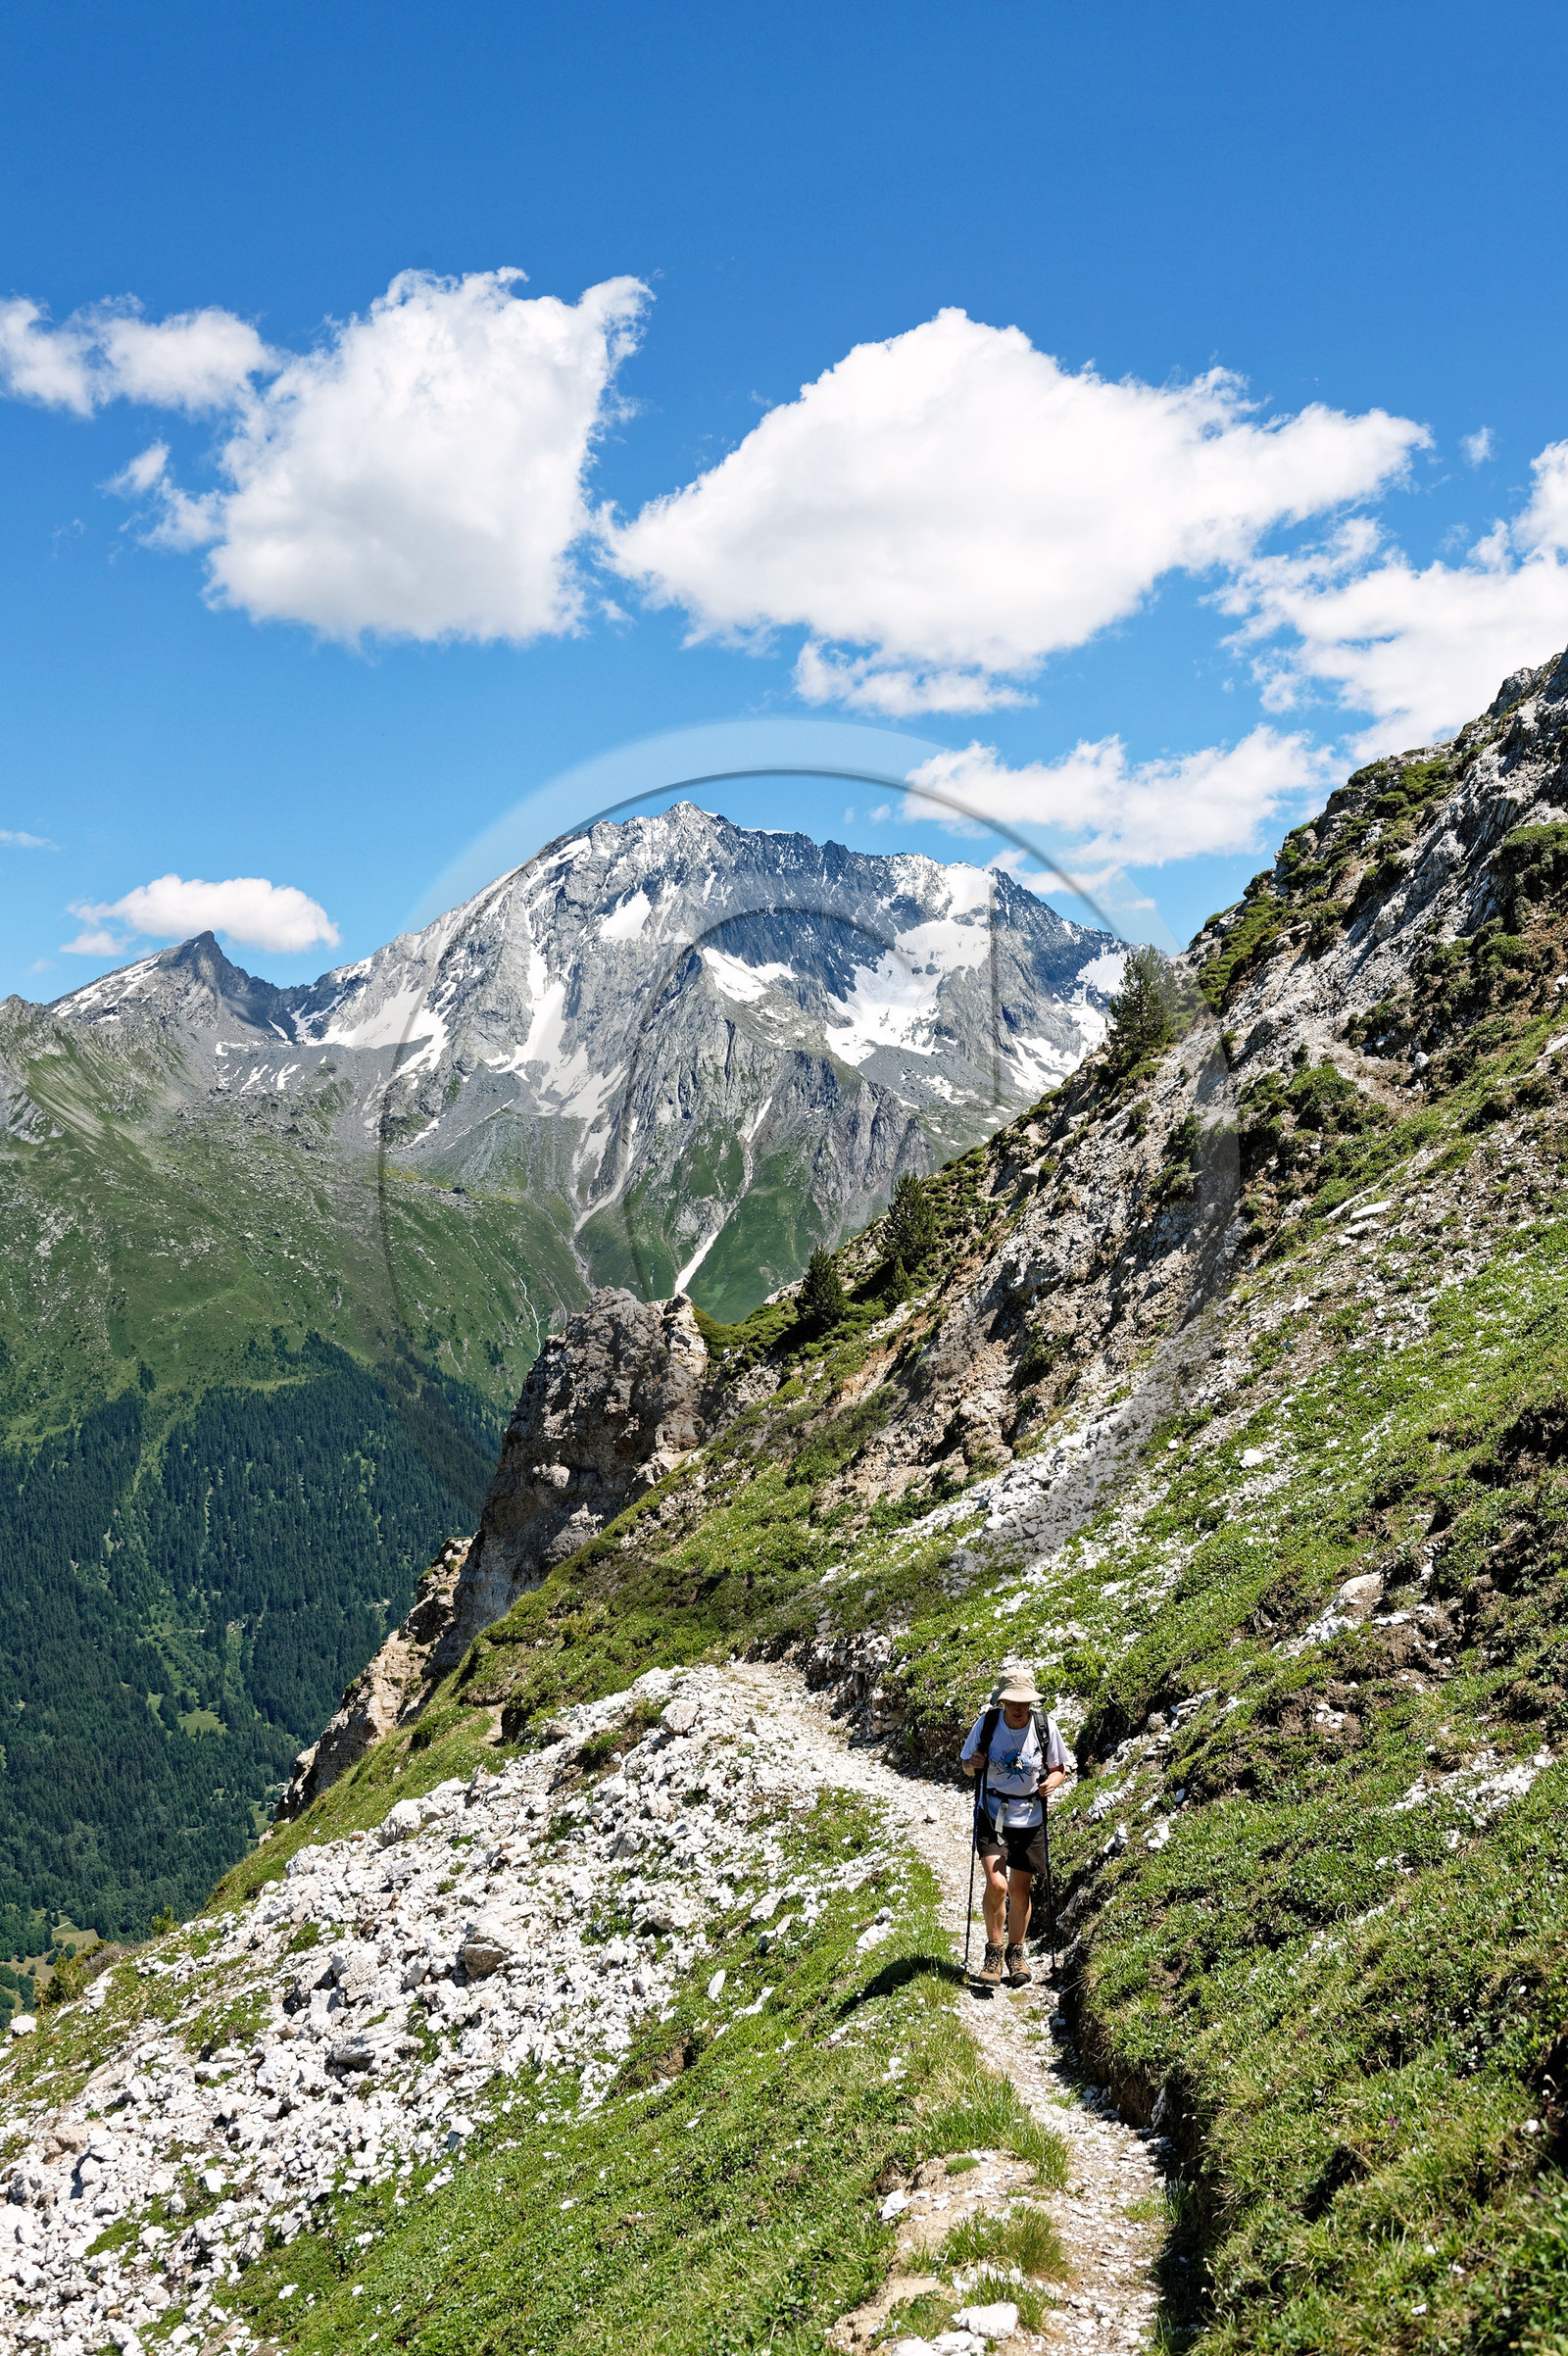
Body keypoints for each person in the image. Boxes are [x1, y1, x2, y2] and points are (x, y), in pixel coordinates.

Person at [959, 1669, 1068, 1987]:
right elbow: (967, 1763)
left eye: (1024, 1703)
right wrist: (973, 1764)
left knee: (1020, 1890)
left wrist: (1052, 1782)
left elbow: (1059, 1767)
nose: (1019, 1708)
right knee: (998, 1885)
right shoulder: (988, 1724)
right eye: (1012, 1702)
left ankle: (1015, 1954)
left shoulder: (1044, 1726)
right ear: (1002, 1701)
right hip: (992, 1814)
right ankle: (993, 1954)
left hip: (1030, 1818)